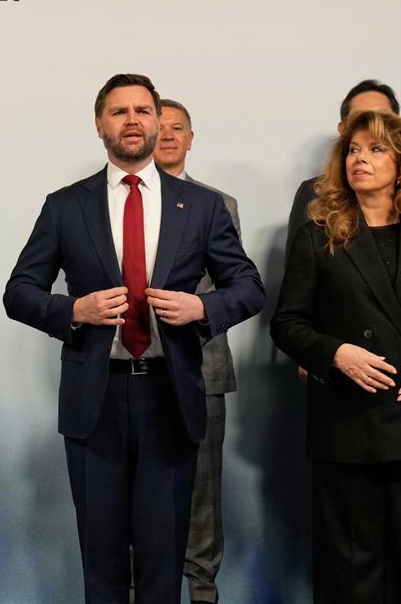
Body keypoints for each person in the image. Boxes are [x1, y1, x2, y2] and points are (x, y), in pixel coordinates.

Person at [3, 74, 264, 604]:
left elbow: (249, 287)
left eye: (143, 110)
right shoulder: (65, 206)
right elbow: (18, 292)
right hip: (94, 401)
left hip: (171, 395)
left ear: (157, 120)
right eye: (119, 111)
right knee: (100, 564)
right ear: (99, 124)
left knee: (161, 564)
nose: (132, 120)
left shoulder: (202, 205)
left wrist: (202, 307)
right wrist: (73, 309)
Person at [271, 110, 401, 604]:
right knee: (351, 573)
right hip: (348, 426)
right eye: (352, 150)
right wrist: (337, 353)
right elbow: (286, 324)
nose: (360, 160)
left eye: (375, 149)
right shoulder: (317, 233)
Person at [155, 99, 241, 604]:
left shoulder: (219, 204)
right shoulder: (110, 203)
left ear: (191, 138)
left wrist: (195, 311)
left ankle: (203, 593)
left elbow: (236, 288)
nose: (167, 135)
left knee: (202, 500)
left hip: (202, 368)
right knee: (134, 498)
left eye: (177, 128)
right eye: (159, 127)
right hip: (131, 371)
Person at [287, 79, 400, 253]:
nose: (370, 124)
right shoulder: (314, 195)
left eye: (382, 117)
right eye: (360, 118)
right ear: (343, 130)